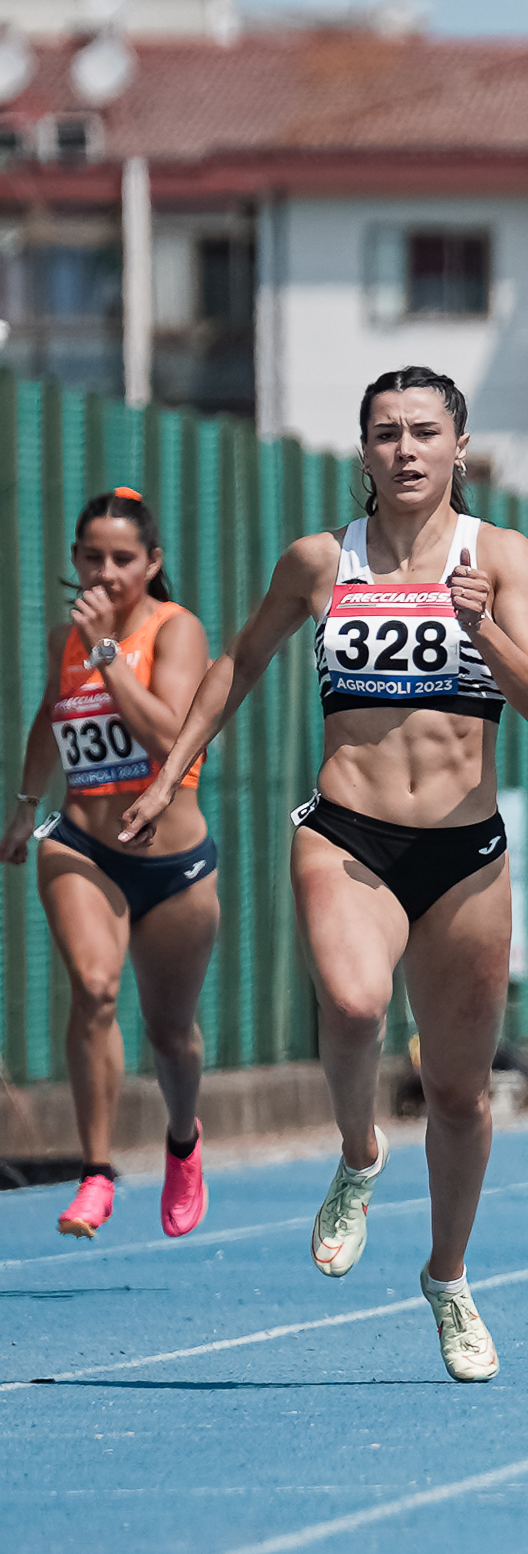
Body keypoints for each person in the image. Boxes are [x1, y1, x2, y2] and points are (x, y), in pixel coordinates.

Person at [124, 369, 528, 1382]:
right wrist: (170, 772)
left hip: (464, 853)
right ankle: (361, 1151)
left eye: (425, 432)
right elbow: (238, 662)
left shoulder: (501, 556)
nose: (406, 450)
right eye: (386, 433)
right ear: (362, 452)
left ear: (460, 446)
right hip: (347, 832)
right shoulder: (322, 561)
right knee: (357, 1004)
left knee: (459, 1094)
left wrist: (484, 627)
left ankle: (447, 1278)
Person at [5, 489, 221, 1239]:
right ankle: (96, 1171)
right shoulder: (69, 638)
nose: (105, 572)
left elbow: (170, 736)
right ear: (73, 558)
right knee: (95, 988)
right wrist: (26, 805)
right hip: (82, 845)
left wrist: (106, 654)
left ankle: (183, 1138)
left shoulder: (175, 629)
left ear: (152, 563)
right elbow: (51, 716)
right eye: (91, 556)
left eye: (122, 558)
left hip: (173, 866)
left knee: (171, 1032)